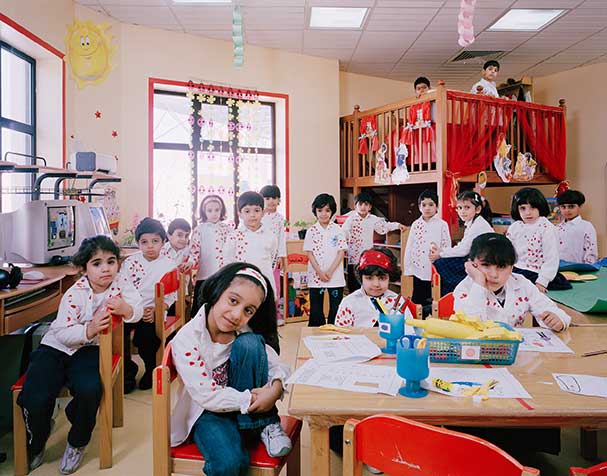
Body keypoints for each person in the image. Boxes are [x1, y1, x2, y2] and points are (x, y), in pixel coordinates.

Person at [18, 236, 143, 474]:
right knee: (35, 396)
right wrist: (90, 328)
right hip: (56, 347)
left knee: (90, 389)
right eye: (97, 263)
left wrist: (127, 309)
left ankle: (77, 442)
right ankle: (37, 440)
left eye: (111, 261)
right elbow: (63, 332)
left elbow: (137, 308)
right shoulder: (75, 293)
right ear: (84, 268)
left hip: (89, 349)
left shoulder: (121, 283)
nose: (106, 268)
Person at [170, 263, 292, 475]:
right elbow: (205, 395)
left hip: (248, 414)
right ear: (218, 290)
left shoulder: (244, 331)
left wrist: (275, 389)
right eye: (233, 300)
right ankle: (258, 425)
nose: (236, 315)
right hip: (207, 413)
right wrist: (252, 400)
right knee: (230, 463)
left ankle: (264, 424)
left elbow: (278, 365)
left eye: (248, 311)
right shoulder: (187, 338)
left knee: (251, 343)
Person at [454, 233, 571, 331]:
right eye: (485, 265)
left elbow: (551, 310)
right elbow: (469, 326)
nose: (494, 275)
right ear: (472, 265)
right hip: (479, 354)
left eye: (502, 266)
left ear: (512, 267)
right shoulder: (464, 289)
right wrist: (479, 283)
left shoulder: (521, 284)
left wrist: (558, 320)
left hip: (516, 353)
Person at [120, 217, 177, 392]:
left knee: (146, 337)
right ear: (138, 243)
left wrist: (157, 310)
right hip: (130, 309)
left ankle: (151, 367)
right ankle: (128, 372)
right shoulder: (130, 263)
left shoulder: (169, 265)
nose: (150, 246)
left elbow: (171, 294)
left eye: (155, 241)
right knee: (118, 334)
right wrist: (130, 308)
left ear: (163, 242)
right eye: (144, 242)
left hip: (154, 311)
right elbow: (121, 286)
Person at [224, 192, 279, 318]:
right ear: (240, 214)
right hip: (240, 288)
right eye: (247, 211)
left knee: (264, 320)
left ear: (263, 212)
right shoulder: (234, 236)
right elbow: (228, 263)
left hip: (265, 285)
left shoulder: (270, 236)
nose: (252, 215)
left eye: (256, 210)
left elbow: (272, 260)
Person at [506, 187, 571, 292]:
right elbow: (508, 253)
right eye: (523, 208)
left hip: (538, 272)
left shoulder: (546, 228)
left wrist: (542, 282)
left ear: (540, 207)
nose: (528, 213)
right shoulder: (515, 227)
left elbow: (551, 259)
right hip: (517, 269)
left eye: (532, 208)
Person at [430, 191, 493, 295]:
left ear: (477, 209)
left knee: (441, 264)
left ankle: (450, 295)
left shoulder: (478, 225)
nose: (462, 211)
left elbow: (464, 250)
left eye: (467, 207)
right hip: (476, 256)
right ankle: (446, 295)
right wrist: (442, 251)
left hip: (485, 260)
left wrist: (440, 254)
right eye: (459, 208)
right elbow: (463, 245)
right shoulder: (471, 223)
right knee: (442, 261)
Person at [342, 191, 404, 292]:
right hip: (354, 259)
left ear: (370, 207)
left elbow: (384, 227)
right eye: (360, 204)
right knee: (354, 286)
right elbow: (343, 233)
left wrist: (397, 225)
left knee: (367, 284)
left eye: (366, 204)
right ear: (355, 206)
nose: (363, 207)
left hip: (367, 258)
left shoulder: (373, 219)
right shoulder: (351, 219)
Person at [303, 193, 348, 326]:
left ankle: (335, 333)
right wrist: (320, 273)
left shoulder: (338, 230)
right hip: (316, 277)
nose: (323, 214)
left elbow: (341, 253)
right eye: (320, 210)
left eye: (327, 210)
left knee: (336, 307)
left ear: (332, 211)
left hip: (335, 276)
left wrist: (329, 272)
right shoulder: (311, 231)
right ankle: (316, 335)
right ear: (315, 212)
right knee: (316, 309)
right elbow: (309, 254)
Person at [403, 190, 451, 308]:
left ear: (437, 206)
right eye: (424, 205)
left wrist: (442, 257)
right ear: (419, 207)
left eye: (431, 204)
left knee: (434, 298)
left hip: (435, 266)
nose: (427, 208)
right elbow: (410, 246)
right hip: (418, 267)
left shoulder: (442, 224)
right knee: (417, 297)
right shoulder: (416, 224)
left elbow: (446, 245)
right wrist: (407, 267)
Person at [188, 195, 232, 318]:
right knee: (202, 309)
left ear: (222, 211)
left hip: (223, 274)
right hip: (205, 274)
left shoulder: (228, 229)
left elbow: (233, 250)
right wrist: (191, 262)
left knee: (220, 305)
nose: (214, 213)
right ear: (204, 212)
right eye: (209, 210)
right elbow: (194, 251)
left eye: (217, 210)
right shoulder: (199, 229)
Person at [335, 247, 401, 328]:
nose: (376, 284)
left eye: (382, 278)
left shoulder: (399, 302)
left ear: (390, 278)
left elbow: (409, 331)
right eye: (369, 278)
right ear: (361, 277)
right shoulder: (349, 302)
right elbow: (340, 334)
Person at [260, 185, 287, 323]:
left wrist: (282, 256)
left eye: (274, 198)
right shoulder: (258, 216)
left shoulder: (280, 219)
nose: (271, 201)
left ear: (279, 200)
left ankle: (275, 314)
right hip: (260, 259)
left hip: (275, 260)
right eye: (267, 198)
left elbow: (282, 239)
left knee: (275, 287)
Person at [556, 189, 598, 264]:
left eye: (571, 206)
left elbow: (591, 252)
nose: (567, 210)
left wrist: (588, 268)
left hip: (580, 270)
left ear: (580, 206)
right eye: (563, 207)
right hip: (559, 269)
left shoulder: (586, 226)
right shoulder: (557, 228)